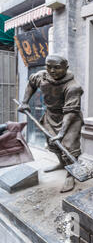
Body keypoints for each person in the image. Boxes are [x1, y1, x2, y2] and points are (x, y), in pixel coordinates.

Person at [18, 55, 84, 193]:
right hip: (50, 114)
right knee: (53, 144)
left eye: (57, 67)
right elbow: (31, 84)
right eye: (49, 66)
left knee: (69, 146)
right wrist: (24, 102)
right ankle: (61, 163)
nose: (52, 70)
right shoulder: (42, 76)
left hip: (70, 118)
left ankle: (70, 175)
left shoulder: (73, 87)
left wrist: (61, 132)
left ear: (66, 68)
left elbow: (70, 112)